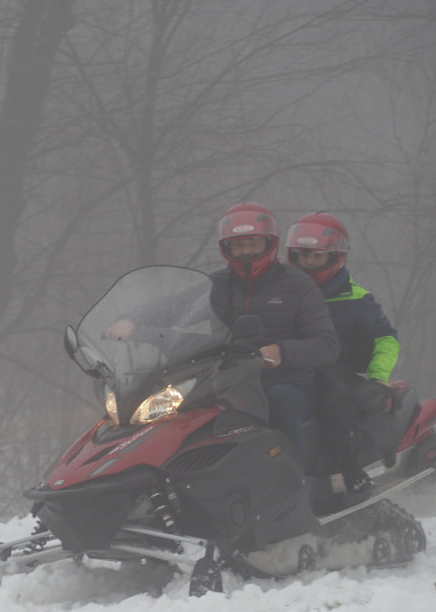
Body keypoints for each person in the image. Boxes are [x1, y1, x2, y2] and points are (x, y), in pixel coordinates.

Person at [106, 202, 339, 459]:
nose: (246, 251)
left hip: (287, 382)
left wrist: (282, 351)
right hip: (228, 381)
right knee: (182, 410)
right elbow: (175, 305)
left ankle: (294, 478)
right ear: (226, 248)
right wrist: (131, 320)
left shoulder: (298, 285)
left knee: (280, 401)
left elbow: (327, 345)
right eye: (238, 245)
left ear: (269, 243)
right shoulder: (219, 284)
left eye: (253, 243)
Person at [287, 212, 399, 494]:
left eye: (316, 256)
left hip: (337, 372)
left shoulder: (356, 298)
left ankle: (351, 468)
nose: (308, 263)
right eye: (302, 256)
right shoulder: (284, 292)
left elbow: (386, 338)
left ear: (335, 256)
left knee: (333, 399)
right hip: (291, 368)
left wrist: (378, 375)